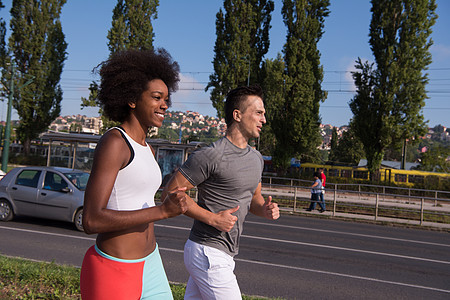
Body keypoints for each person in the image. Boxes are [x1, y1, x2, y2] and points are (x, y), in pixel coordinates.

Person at [80, 49, 188, 300]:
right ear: (131, 99)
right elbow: (91, 220)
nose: (164, 105)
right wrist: (162, 211)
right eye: (157, 97)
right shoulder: (115, 142)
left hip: (151, 263)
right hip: (115, 269)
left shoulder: (148, 148)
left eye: (166, 99)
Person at [162, 85, 280, 300]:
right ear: (237, 115)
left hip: (225, 253)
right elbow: (169, 193)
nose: (264, 119)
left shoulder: (257, 159)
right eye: (258, 113)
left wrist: (265, 209)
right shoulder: (211, 155)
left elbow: (253, 199)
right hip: (207, 250)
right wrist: (212, 218)